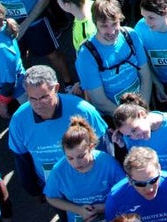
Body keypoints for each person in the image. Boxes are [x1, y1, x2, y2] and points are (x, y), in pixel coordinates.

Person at [8, 65, 108, 198]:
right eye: (32, 98)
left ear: (56, 88)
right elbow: (21, 158)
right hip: (54, 188)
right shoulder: (19, 119)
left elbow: (104, 148)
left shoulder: (84, 111)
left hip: (91, 184)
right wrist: (33, 189)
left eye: (44, 97)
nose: (38, 104)